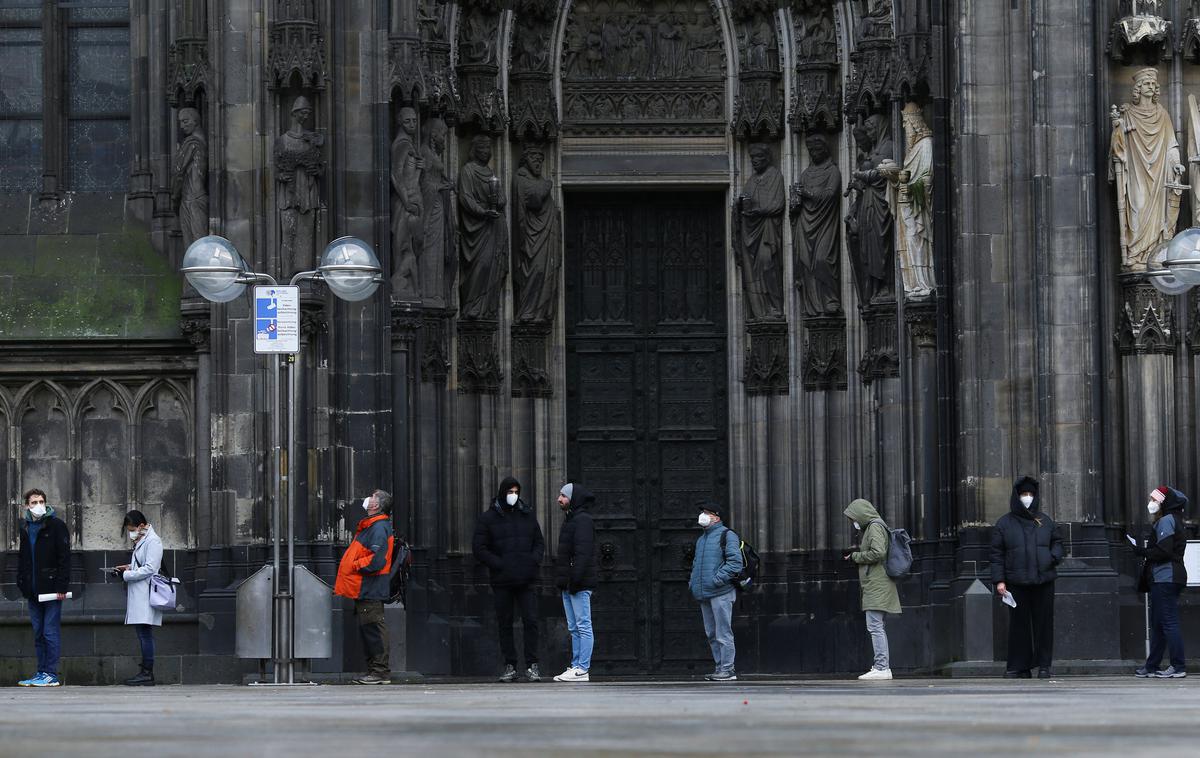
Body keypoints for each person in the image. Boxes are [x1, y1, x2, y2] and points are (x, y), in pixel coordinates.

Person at [989, 476, 1063, 679]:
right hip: (1016, 580)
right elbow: (997, 554)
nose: (1027, 498)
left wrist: (1052, 557)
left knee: (1044, 624)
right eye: (1024, 494)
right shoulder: (1004, 523)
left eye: (1030, 494)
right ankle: (1018, 666)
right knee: (1018, 625)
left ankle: (1044, 665)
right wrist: (1000, 580)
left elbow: (1058, 543)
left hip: (1043, 579)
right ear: (1017, 496)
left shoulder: (1045, 521)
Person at [473, 477, 545, 682]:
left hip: (526, 578)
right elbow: (479, 548)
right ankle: (510, 665)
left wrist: (533, 561)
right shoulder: (488, 518)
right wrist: (499, 564)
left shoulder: (527, 515)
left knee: (531, 621)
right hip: (502, 579)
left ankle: (532, 665)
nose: (513, 495)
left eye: (516, 491)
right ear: (503, 492)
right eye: (510, 491)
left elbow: (539, 543)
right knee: (505, 623)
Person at [334, 490, 396, 685]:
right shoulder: (372, 526)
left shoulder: (378, 527)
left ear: (376, 505)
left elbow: (377, 560)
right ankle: (375, 671)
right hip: (365, 587)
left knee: (373, 629)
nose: (369, 498)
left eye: (374, 496)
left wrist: (354, 565)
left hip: (370, 587)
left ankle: (379, 672)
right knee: (370, 629)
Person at [16, 488, 70, 687]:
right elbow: (23, 558)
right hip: (32, 589)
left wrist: (62, 585)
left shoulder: (56, 526)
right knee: (38, 632)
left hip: (52, 588)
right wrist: (21, 581)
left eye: (41, 501)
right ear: (27, 505)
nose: (38, 505)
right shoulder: (26, 527)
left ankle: (51, 674)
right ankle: (41, 672)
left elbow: (65, 557)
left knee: (50, 631)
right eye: (33, 502)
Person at [1133, 486, 1188, 678]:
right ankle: (1152, 665)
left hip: (1166, 577)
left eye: (1154, 500)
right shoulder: (1174, 520)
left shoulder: (1166, 521)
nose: (1151, 503)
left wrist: (1141, 551)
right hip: (1166, 577)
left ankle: (1178, 666)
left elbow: (1163, 552)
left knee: (1168, 622)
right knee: (1158, 623)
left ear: (1163, 502)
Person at [843, 498, 901, 681]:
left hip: (878, 584)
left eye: (853, 518)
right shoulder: (875, 526)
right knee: (876, 626)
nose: (853, 522)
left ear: (861, 514)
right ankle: (881, 666)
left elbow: (878, 552)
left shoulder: (875, 527)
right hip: (876, 583)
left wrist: (855, 556)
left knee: (875, 626)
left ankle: (882, 667)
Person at [688, 501, 743, 682]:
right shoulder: (702, 539)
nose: (702, 515)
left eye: (706, 512)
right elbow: (697, 564)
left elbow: (735, 563)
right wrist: (693, 583)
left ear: (716, 517)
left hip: (721, 591)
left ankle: (728, 669)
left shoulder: (727, 535)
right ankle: (720, 668)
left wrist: (717, 580)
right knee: (712, 633)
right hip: (705, 592)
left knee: (723, 632)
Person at [553, 483, 596, 683]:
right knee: (574, 627)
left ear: (573, 498)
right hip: (569, 582)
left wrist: (575, 579)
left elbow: (583, 553)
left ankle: (582, 668)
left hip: (578, 582)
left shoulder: (583, 520)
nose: (559, 499)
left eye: (563, 495)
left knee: (583, 625)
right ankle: (576, 665)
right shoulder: (572, 519)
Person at [115, 510, 164, 686]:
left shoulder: (153, 541)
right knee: (143, 633)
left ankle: (147, 672)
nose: (131, 533)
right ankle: (145, 671)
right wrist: (127, 567)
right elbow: (142, 565)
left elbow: (151, 568)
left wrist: (127, 574)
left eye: (132, 529)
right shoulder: (143, 540)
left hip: (146, 594)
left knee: (145, 634)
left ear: (141, 526)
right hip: (139, 594)